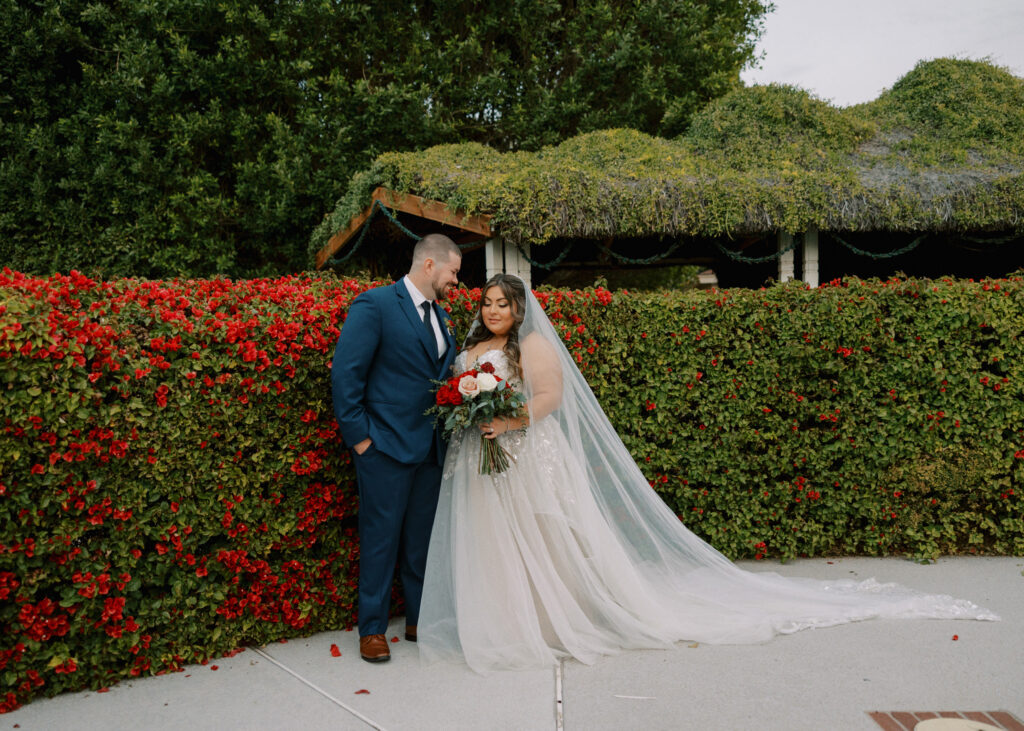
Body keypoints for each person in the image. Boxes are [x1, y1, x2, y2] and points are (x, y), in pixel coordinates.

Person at [418, 274, 998, 674]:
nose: (493, 311)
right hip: (484, 465)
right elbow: (460, 397)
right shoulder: (470, 355)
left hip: (527, 458)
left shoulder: (534, 344)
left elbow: (550, 398)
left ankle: (550, 621)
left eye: (502, 304)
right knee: (495, 546)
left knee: (547, 539)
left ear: (519, 309)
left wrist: (508, 421)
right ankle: (503, 622)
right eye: (488, 303)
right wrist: (473, 414)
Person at [331, 233, 461, 663]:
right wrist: (362, 441)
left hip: (429, 450)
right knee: (380, 539)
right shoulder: (375, 305)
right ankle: (371, 629)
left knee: (420, 540)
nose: (455, 281)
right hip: (383, 448)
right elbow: (347, 377)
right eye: (453, 272)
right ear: (429, 265)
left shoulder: (442, 318)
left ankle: (418, 618)